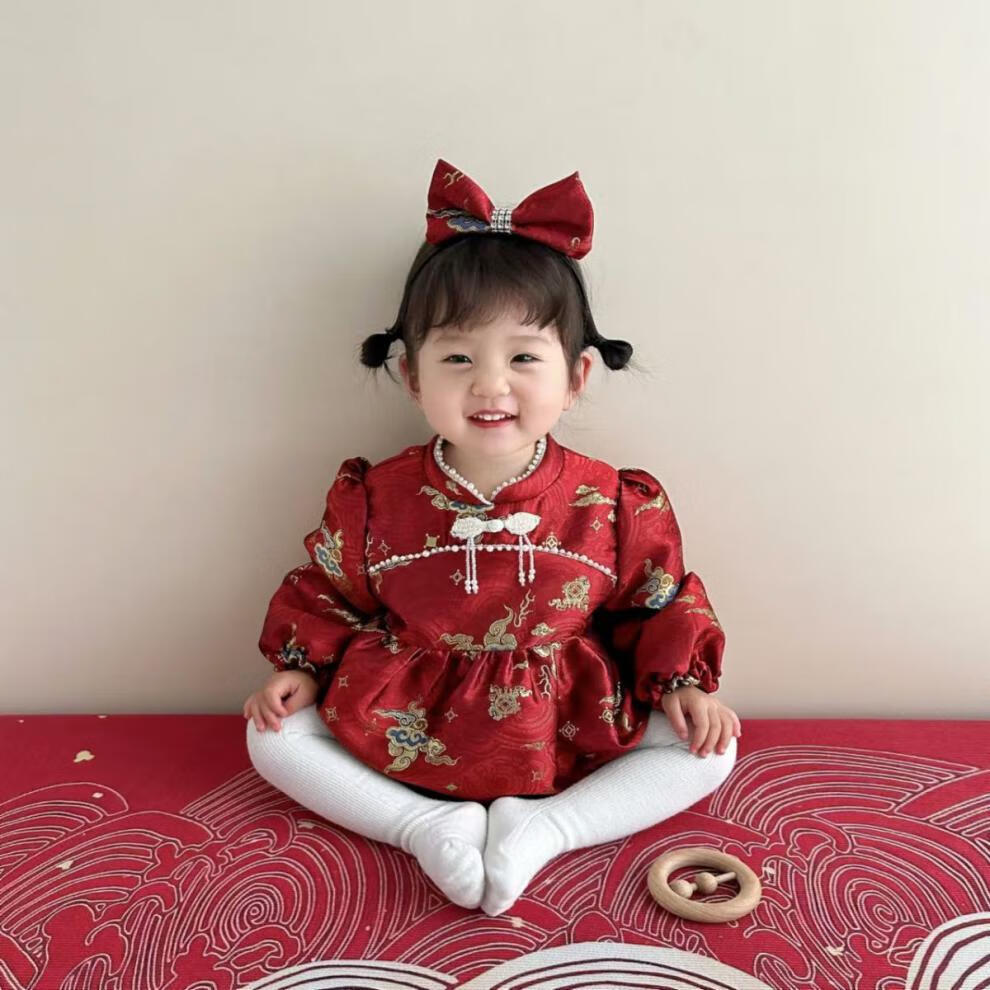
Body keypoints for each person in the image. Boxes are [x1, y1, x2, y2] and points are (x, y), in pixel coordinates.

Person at [244, 158, 742, 916]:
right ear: (412, 377)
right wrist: (302, 670)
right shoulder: (374, 496)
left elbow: (658, 602)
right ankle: (423, 826)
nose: (490, 383)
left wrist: (684, 683)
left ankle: (547, 828)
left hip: (567, 725)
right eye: (457, 357)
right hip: (407, 723)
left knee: (710, 747)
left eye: (523, 357)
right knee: (271, 737)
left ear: (576, 377)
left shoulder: (614, 501)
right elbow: (329, 592)